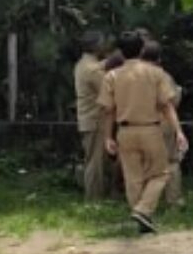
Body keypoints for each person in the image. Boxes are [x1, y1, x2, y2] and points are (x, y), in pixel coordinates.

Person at [100, 31, 186, 233]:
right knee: (161, 173)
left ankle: (141, 217)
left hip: (124, 130)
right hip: (150, 129)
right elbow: (167, 106)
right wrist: (178, 131)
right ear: (141, 49)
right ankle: (144, 209)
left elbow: (108, 110)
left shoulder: (112, 76)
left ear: (121, 51)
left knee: (133, 178)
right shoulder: (156, 73)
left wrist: (107, 137)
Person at [141, 37, 186, 210]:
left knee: (145, 163)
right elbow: (172, 101)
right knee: (171, 162)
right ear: (159, 59)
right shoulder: (164, 76)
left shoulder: (133, 76)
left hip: (142, 123)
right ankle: (173, 200)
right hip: (164, 122)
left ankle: (147, 203)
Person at [73, 33, 110, 199]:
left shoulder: (83, 64)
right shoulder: (93, 70)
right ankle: (94, 198)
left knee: (92, 159)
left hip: (87, 119)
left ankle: (94, 195)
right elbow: (108, 89)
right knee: (95, 162)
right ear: (95, 46)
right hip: (95, 119)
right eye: (102, 43)